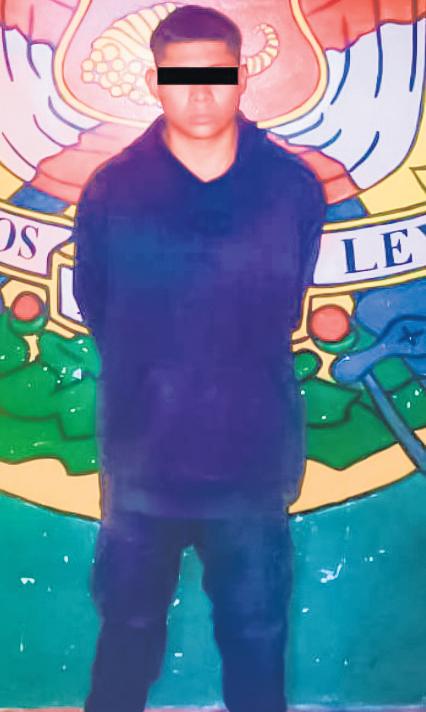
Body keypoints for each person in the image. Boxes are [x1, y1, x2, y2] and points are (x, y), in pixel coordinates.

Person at [72, 5, 326, 711]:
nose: (201, 93)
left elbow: (288, 301)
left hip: (253, 466)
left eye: (216, 74)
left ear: (242, 77)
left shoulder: (290, 188)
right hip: (141, 467)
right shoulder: (113, 189)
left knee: (257, 640)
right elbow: (97, 303)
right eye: (182, 76)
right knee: (126, 639)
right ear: (154, 81)